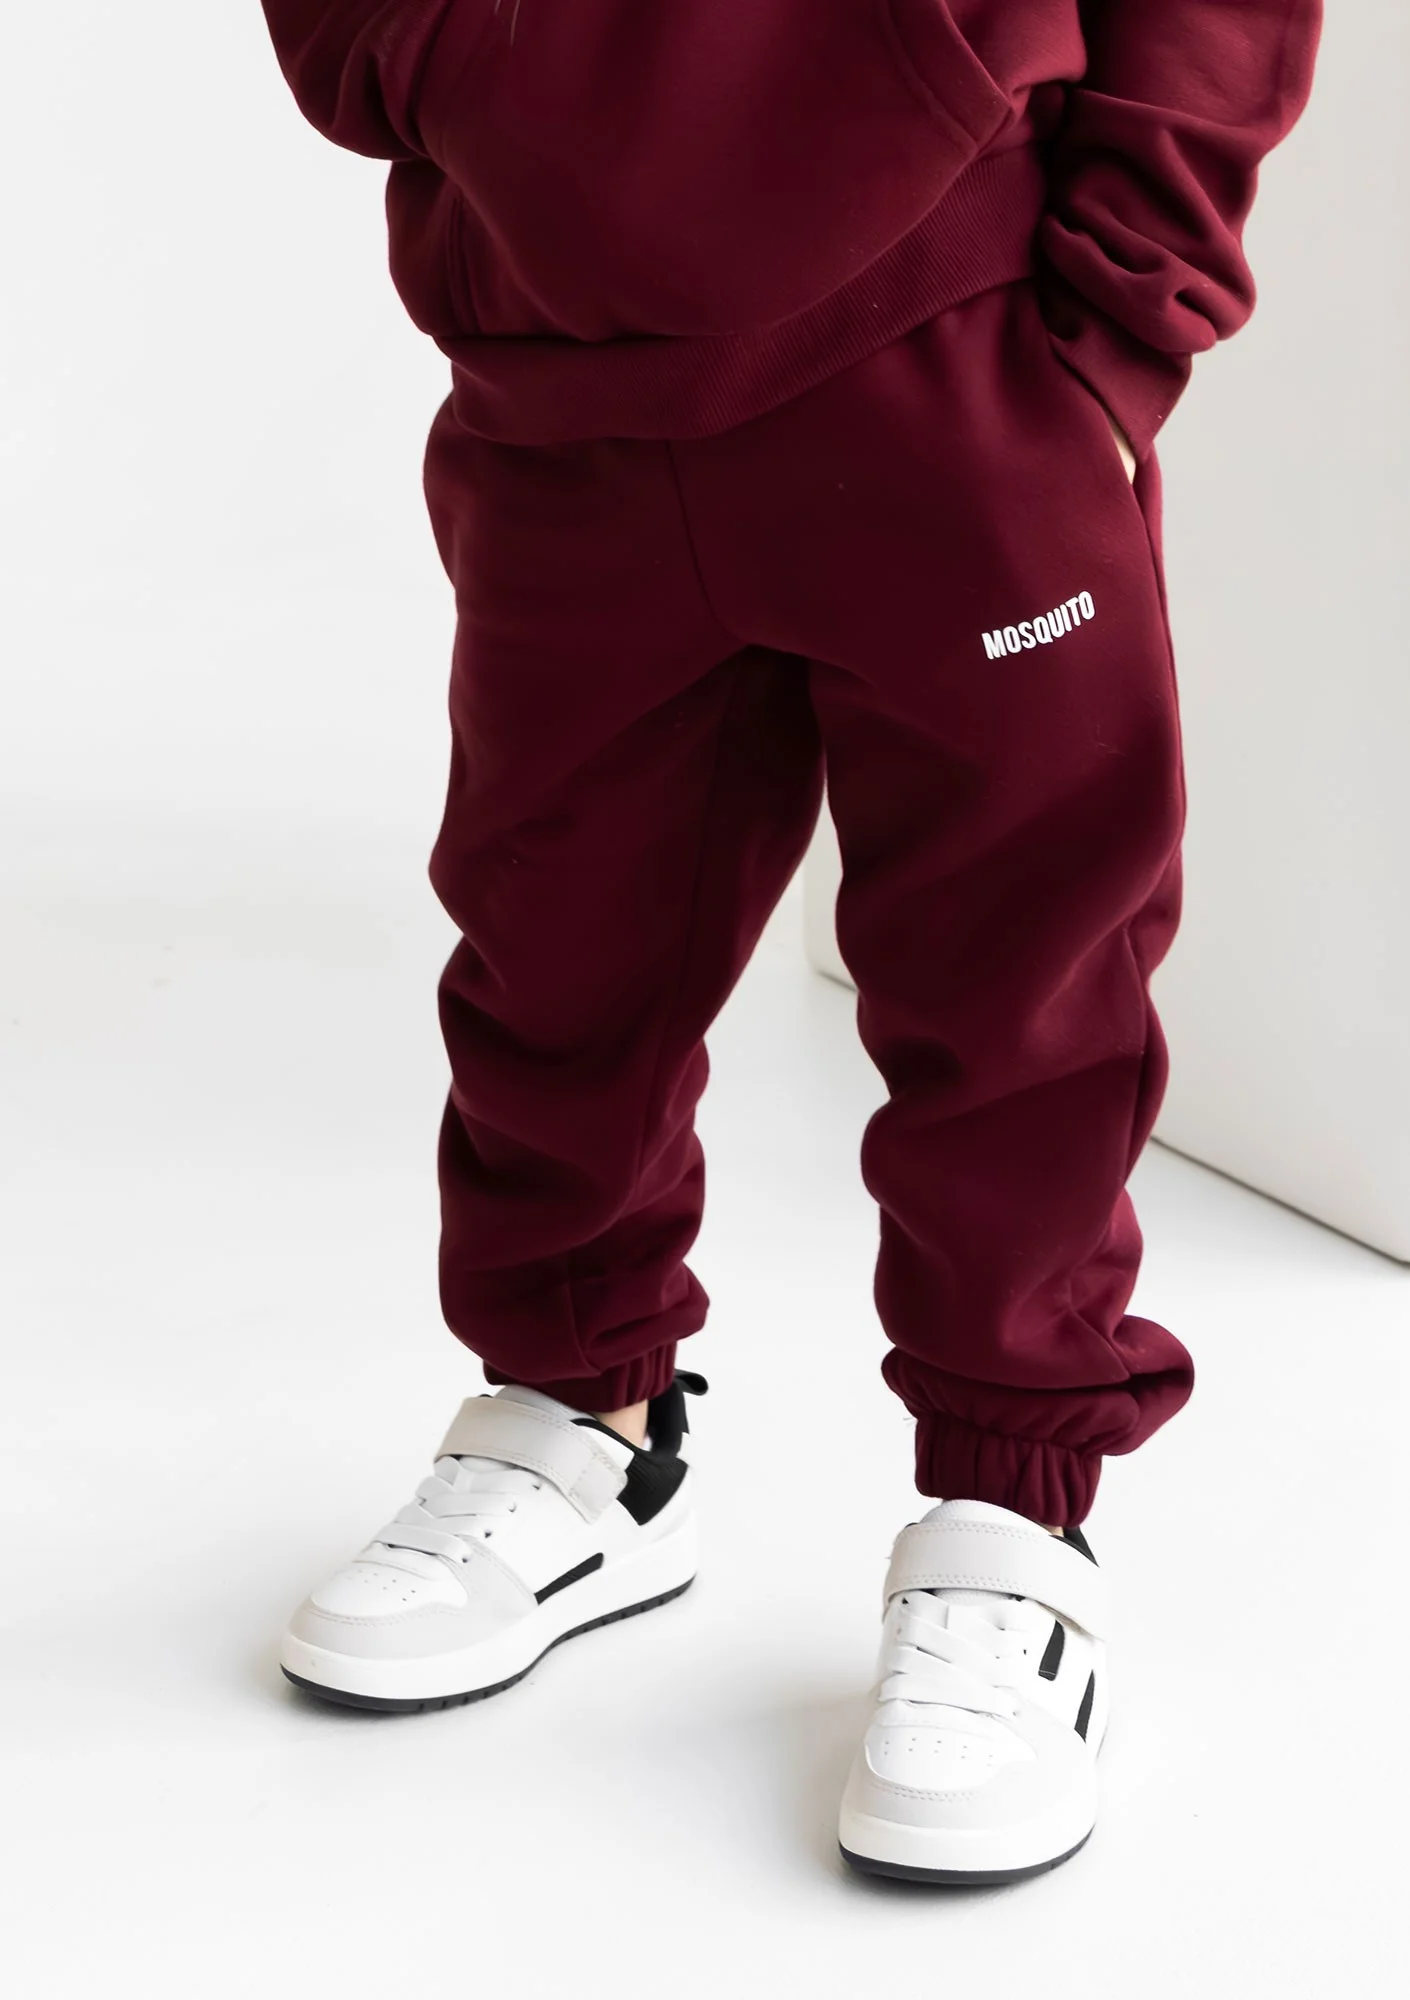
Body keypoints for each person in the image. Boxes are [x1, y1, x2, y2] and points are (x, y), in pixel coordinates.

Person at [258, 1, 1321, 1883]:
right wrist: (449, 69)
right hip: (557, 374)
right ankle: (583, 1422)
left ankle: (1009, 1526)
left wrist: (1123, 312)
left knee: (1021, 981)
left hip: (956, 340)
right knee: (552, 937)